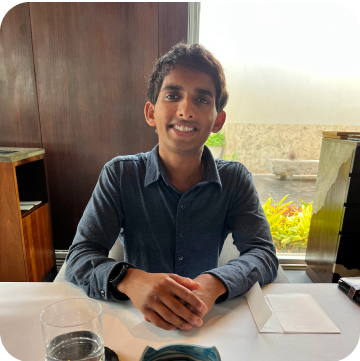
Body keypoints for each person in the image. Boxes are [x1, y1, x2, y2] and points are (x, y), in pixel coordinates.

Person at [65, 42, 279, 332]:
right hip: (137, 325)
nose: (186, 110)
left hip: (209, 322)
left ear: (218, 120)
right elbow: (80, 254)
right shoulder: (120, 174)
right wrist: (131, 279)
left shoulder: (234, 179)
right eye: (173, 95)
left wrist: (213, 282)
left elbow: (262, 253)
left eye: (202, 100)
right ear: (151, 113)